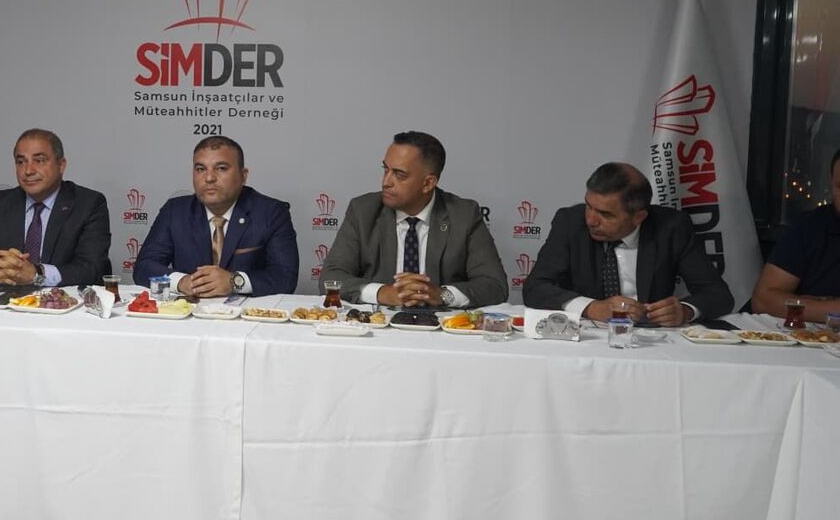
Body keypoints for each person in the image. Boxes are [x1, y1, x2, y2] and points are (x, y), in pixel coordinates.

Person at [523, 161, 734, 325]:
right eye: (589, 206)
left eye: (606, 214)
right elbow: (535, 288)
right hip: (587, 337)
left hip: (652, 341)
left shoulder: (671, 227)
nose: (591, 220)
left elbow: (718, 295)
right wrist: (592, 307)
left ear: (639, 217)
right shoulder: (570, 222)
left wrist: (686, 311)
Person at [320, 131, 506, 308]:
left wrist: (442, 295)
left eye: (399, 175)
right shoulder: (363, 211)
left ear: (428, 183)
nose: (386, 182)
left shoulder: (464, 215)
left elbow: (494, 285)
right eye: (386, 170)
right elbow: (330, 277)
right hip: (379, 324)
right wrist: (382, 293)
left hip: (441, 326)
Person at [133, 135, 298, 297]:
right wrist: (181, 282)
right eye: (200, 169)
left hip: (246, 312)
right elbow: (144, 266)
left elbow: (285, 277)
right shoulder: (175, 211)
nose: (209, 178)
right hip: (190, 311)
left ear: (243, 176)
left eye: (221, 168)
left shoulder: (271, 213)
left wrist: (235, 281)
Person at [0, 129, 111, 287]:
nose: (28, 171)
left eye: (39, 160)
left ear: (61, 165)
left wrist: (36, 274)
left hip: (62, 300)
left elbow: (91, 269)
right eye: (21, 162)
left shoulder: (88, 204)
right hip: (8, 298)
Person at [751, 147, 840, 323]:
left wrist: (809, 304)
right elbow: (763, 301)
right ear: (831, 185)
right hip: (804, 336)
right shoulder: (812, 225)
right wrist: (831, 309)